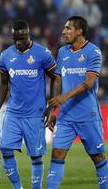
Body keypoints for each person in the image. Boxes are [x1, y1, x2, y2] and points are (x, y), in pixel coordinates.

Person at [0, 19, 56, 189]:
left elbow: (55, 78)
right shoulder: (6, 56)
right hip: (13, 112)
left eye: (22, 38)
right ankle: (18, 187)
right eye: (15, 39)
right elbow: (4, 84)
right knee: (5, 149)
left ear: (29, 35)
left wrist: (52, 106)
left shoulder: (42, 53)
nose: (19, 42)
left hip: (35, 113)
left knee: (35, 156)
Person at [46, 16, 108, 189]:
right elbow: (57, 80)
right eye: (64, 28)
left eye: (68, 28)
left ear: (80, 31)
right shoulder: (63, 52)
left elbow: (89, 83)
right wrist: (53, 109)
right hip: (65, 116)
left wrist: (65, 97)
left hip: (88, 114)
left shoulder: (93, 52)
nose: (64, 31)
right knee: (57, 155)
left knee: (97, 158)